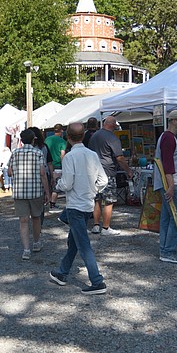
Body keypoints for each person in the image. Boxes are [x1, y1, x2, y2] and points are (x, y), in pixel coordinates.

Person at [49, 122, 109, 294]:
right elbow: (103, 180)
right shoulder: (92, 155)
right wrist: (93, 190)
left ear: (68, 137)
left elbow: (67, 183)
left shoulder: (69, 157)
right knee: (74, 242)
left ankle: (97, 281)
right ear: (83, 136)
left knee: (83, 245)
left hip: (75, 205)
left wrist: (58, 184)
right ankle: (62, 272)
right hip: (88, 204)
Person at [8, 129, 51, 260]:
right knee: (36, 217)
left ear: (21, 140)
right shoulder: (38, 153)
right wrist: (47, 192)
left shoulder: (15, 153)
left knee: (23, 220)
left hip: (20, 192)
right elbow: (43, 174)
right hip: (36, 191)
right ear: (33, 140)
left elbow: (9, 172)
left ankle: (26, 250)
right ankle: (36, 243)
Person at [154, 110, 177, 263]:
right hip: (172, 183)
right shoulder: (169, 138)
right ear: (174, 121)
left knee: (168, 218)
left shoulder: (165, 137)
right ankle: (168, 251)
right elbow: (168, 165)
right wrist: (171, 186)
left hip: (167, 182)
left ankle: (165, 249)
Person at [87, 116, 133, 235]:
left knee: (96, 199)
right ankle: (106, 228)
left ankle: (96, 225)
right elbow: (120, 158)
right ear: (112, 125)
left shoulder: (94, 136)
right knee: (109, 200)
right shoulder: (112, 138)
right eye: (116, 126)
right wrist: (128, 170)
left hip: (94, 172)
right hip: (107, 172)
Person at [45, 124, 67, 211]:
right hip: (58, 165)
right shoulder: (62, 141)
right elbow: (62, 155)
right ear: (61, 131)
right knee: (56, 185)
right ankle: (52, 204)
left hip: (47, 164)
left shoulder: (47, 139)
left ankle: (48, 200)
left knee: (49, 183)